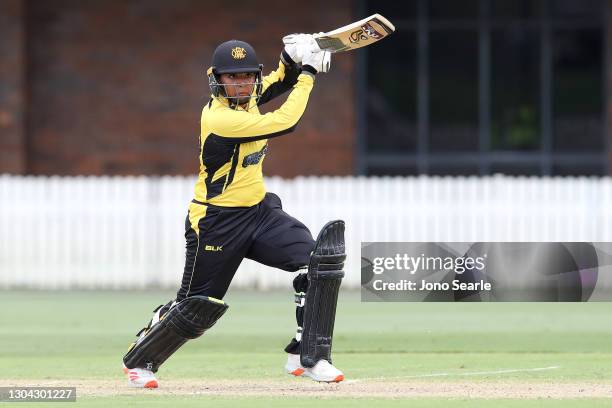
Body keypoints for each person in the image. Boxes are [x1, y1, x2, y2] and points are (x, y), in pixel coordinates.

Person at [121, 36, 347, 388]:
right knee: (196, 307)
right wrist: (308, 73)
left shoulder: (248, 99)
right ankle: (141, 358)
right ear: (217, 79)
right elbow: (286, 120)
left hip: (259, 213)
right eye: (232, 77)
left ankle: (309, 355)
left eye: (246, 76)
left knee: (318, 263)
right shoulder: (221, 118)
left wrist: (291, 57)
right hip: (216, 222)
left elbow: (277, 82)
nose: (241, 83)